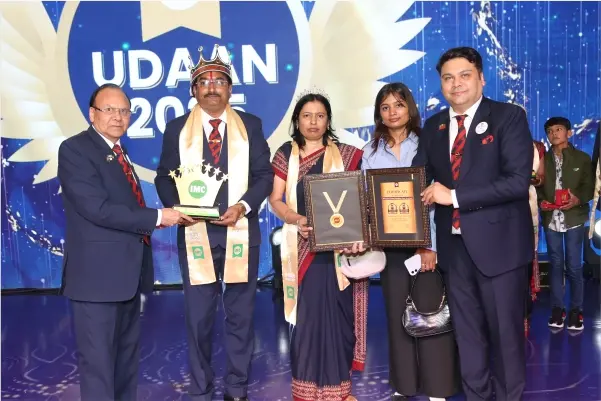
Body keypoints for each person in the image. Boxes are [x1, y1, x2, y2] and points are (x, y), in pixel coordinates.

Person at [412, 47, 534, 401]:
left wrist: (454, 196)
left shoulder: (508, 117)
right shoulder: (434, 126)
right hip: (454, 250)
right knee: (467, 336)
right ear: (441, 84)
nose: (456, 84)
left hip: (501, 248)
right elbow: (417, 180)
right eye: (448, 78)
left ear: (481, 78)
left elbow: (516, 182)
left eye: (464, 75)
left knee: (505, 336)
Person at [57, 83, 192, 401]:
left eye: (124, 111)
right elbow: (97, 209)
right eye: (109, 110)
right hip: (96, 280)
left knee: (125, 363)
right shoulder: (75, 150)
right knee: (99, 366)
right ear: (92, 114)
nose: (118, 117)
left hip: (127, 278)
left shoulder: (119, 152)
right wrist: (157, 217)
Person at [155, 45, 273, 401]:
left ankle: (237, 388)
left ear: (230, 89)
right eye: (204, 82)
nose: (211, 87)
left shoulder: (250, 125)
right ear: (194, 90)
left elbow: (264, 176)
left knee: (241, 318)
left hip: (241, 233)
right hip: (196, 235)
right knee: (198, 320)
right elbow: (163, 177)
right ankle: (200, 390)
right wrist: (177, 207)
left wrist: (243, 206)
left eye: (219, 81)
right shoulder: (177, 129)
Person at [361, 83, 459, 401]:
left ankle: (438, 387)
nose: (392, 112)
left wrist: (429, 245)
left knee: (431, 314)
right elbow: (367, 200)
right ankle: (404, 386)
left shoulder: (429, 142)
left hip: (426, 243)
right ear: (379, 113)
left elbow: (437, 197)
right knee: (396, 316)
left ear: (410, 108)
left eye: (399, 105)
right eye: (385, 107)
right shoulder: (370, 151)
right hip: (390, 246)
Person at [268, 91, 368, 401]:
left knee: (338, 321)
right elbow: (275, 200)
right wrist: (296, 219)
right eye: (307, 115)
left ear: (328, 120)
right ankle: (306, 391)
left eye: (320, 116)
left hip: (338, 252)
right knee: (308, 323)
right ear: (297, 120)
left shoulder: (348, 155)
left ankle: (339, 391)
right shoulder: (285, 154)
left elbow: (359, 199)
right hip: (303, 250)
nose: (313, 122)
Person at [538, 117, 593, 331]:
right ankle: (557, 309)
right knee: (555, 264)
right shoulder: (543, 159)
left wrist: (577, 199)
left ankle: (576, 310)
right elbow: (536, 184)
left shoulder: (582, 158)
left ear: (569, 133)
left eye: (559, 129)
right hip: (551, 218)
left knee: (574, 265)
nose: (554, 134)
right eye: (550, 131)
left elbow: (589, 187)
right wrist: (541, 200)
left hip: (574, 218)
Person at [526, 140, 546, 334]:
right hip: (499, 203)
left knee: (526, 254)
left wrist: (531, 179)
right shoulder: (493, 140)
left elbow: (541, 178)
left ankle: (525, 313)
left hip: (528, 201)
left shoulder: (537, 147)